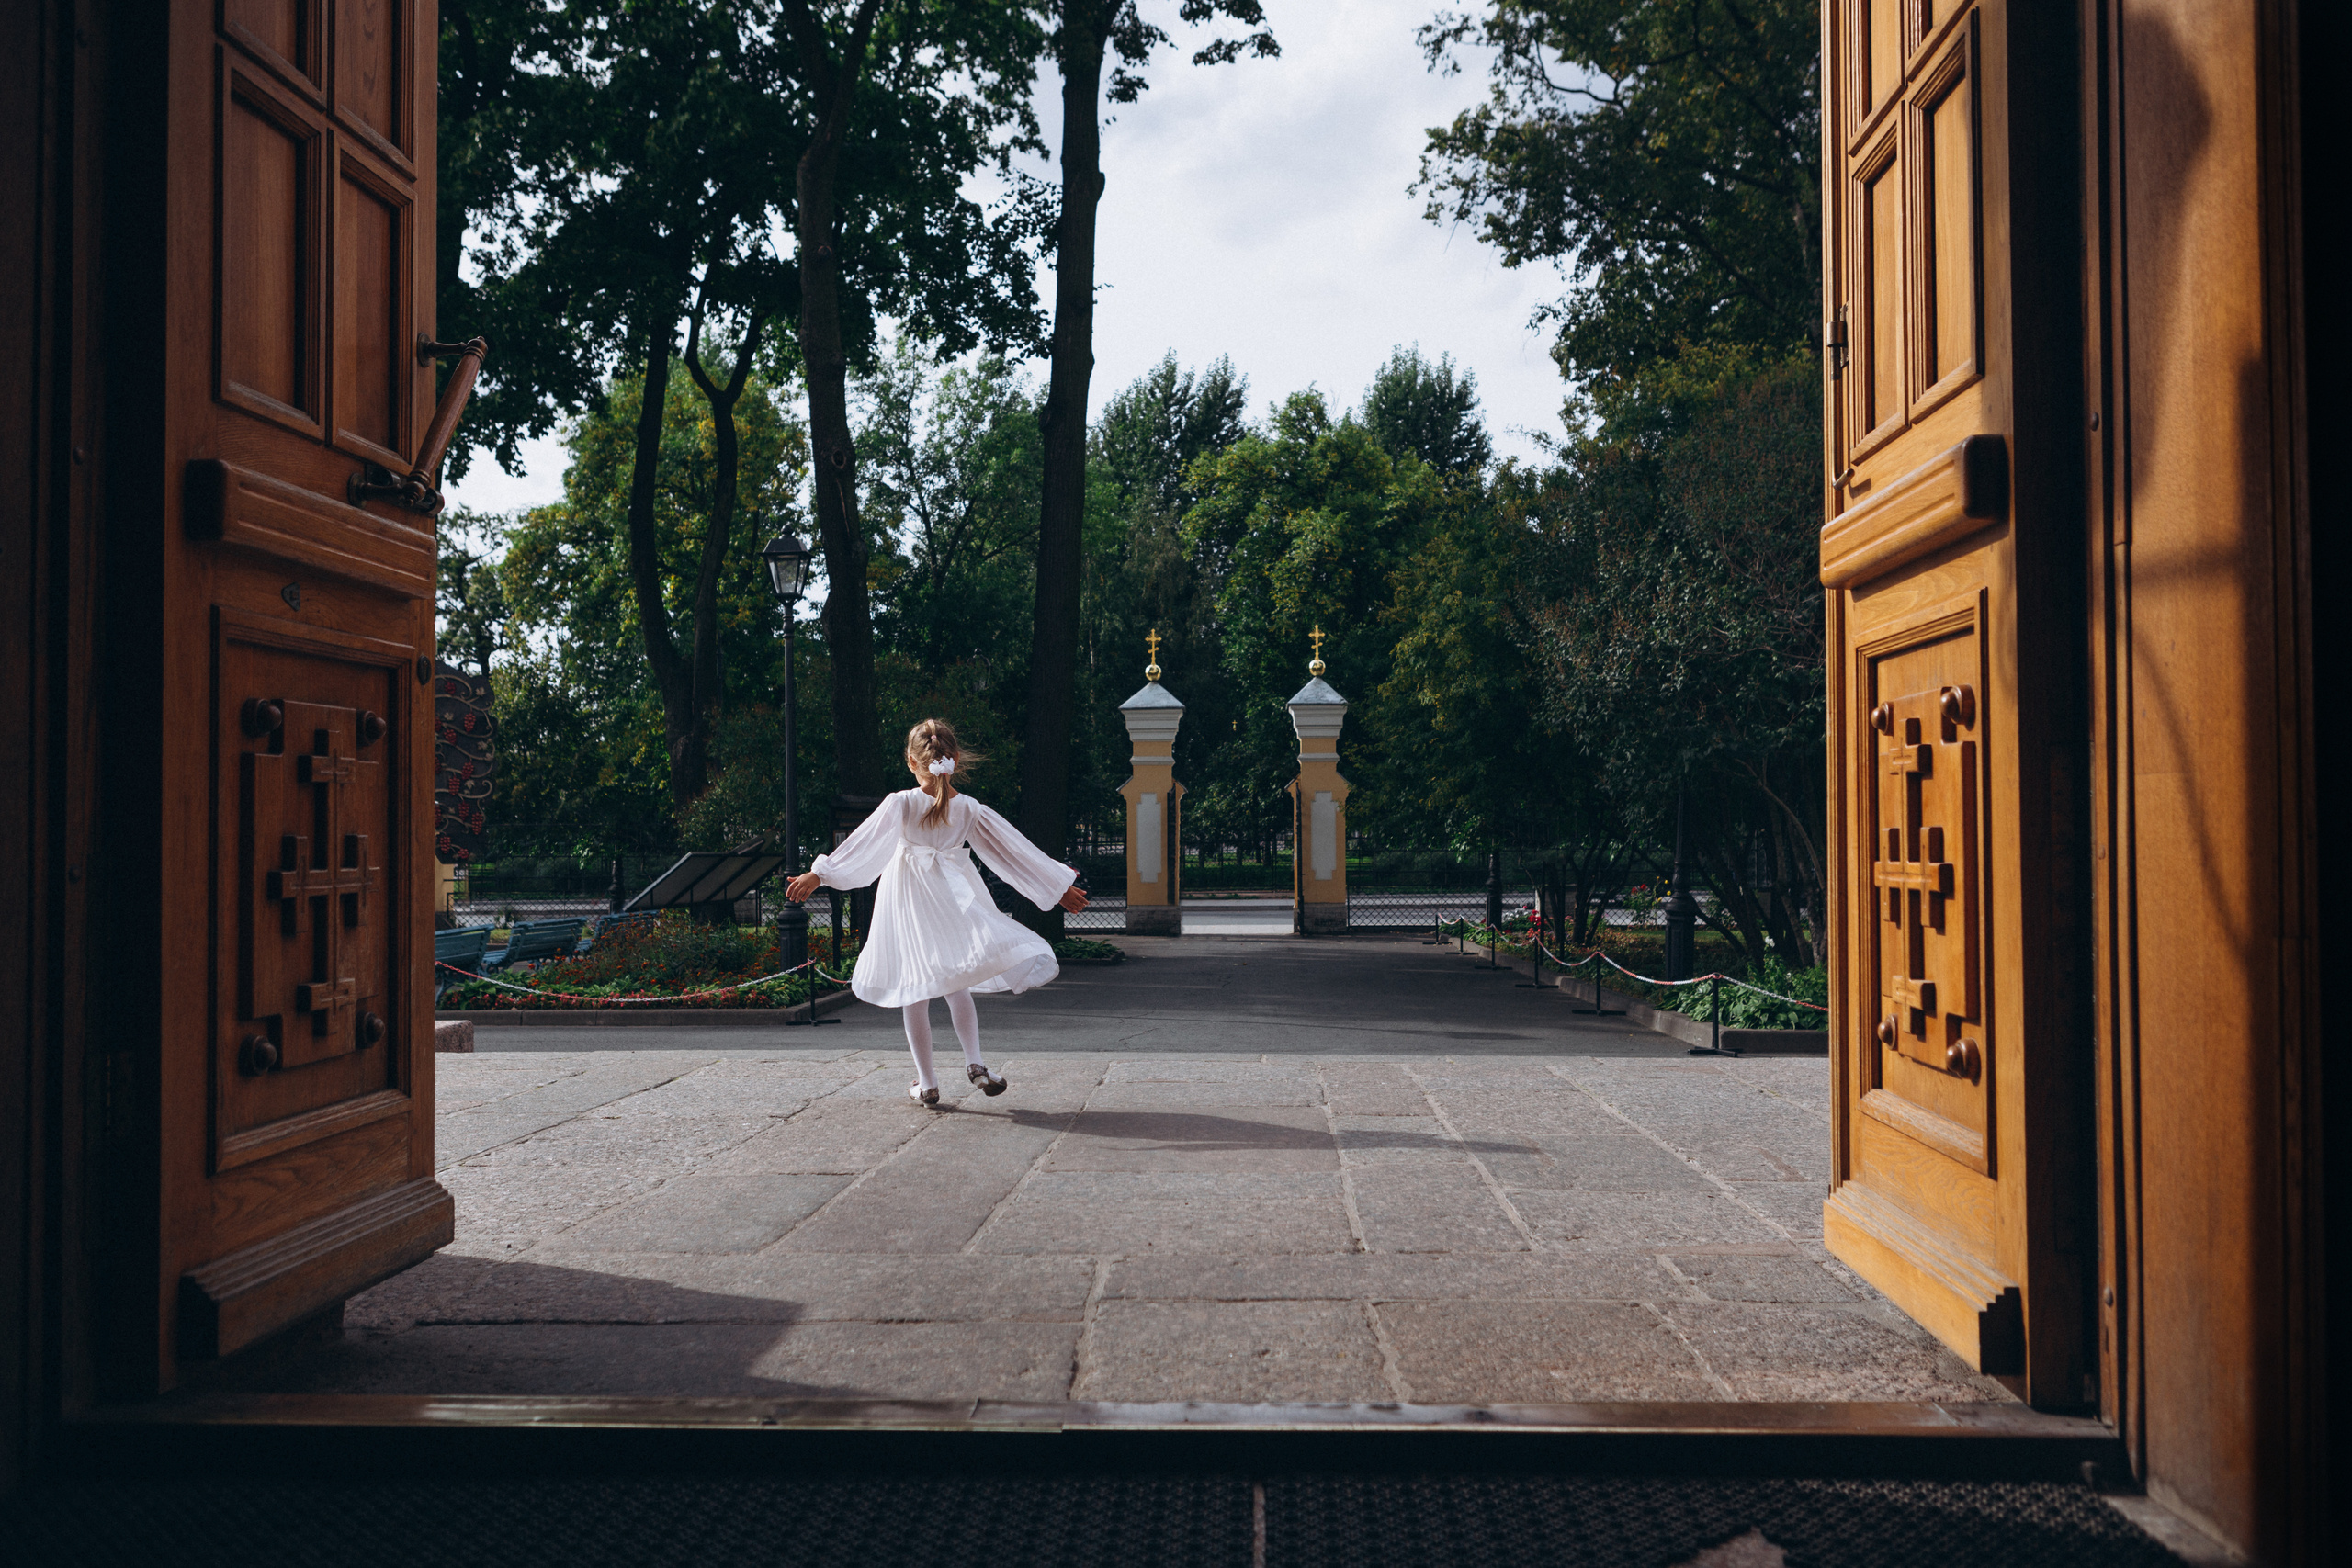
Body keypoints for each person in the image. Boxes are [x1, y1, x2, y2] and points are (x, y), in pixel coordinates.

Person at [783, 718, 1088, 1106]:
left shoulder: (902, 803)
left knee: (915, 987)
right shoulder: (970, 809)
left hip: (909, 901)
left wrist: (819, 874)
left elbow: (864, 844)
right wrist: (1057, 888)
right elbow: (1013, 851)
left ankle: (927, 1082)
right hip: (952, 899)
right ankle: (975, 1063)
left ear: (911, 761)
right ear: (955, 758)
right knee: (956, 981)